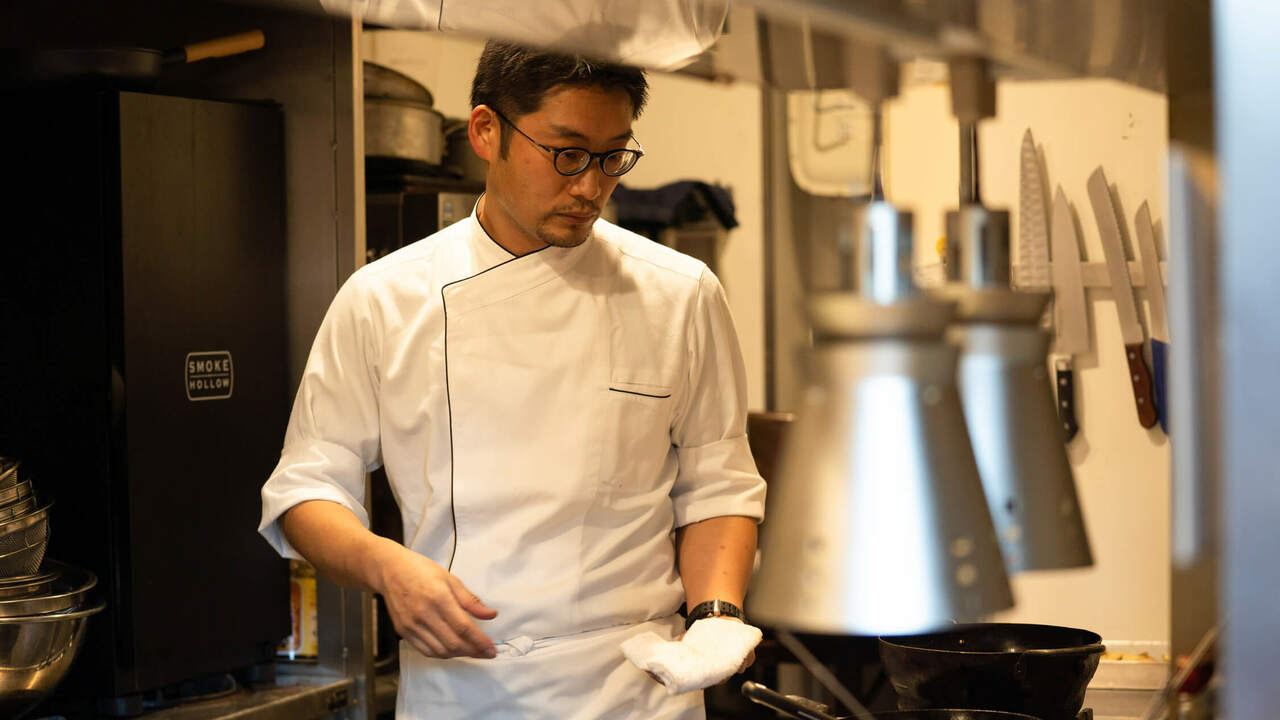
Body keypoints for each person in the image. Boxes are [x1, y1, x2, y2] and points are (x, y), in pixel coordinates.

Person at [259, 40, 766, 719]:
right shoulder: (384, 298)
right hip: (465, 686)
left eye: (612, 157)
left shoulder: (680, 294)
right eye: (566, 153)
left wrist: (715, 617)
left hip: (639, 689)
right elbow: (306, 488)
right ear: (486, 131)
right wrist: (388, 568)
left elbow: (718, 482)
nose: (589, 185)